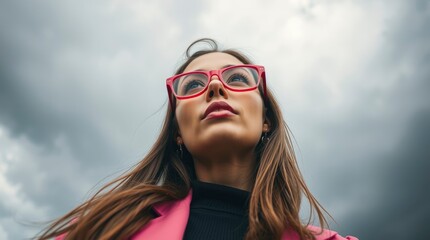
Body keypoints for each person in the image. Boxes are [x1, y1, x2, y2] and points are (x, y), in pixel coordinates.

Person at [37, 38, 357, 240]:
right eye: (192, 85)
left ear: (266, 120)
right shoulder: (107, 227)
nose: (215, 88)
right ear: (177, 131)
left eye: (236, 78)